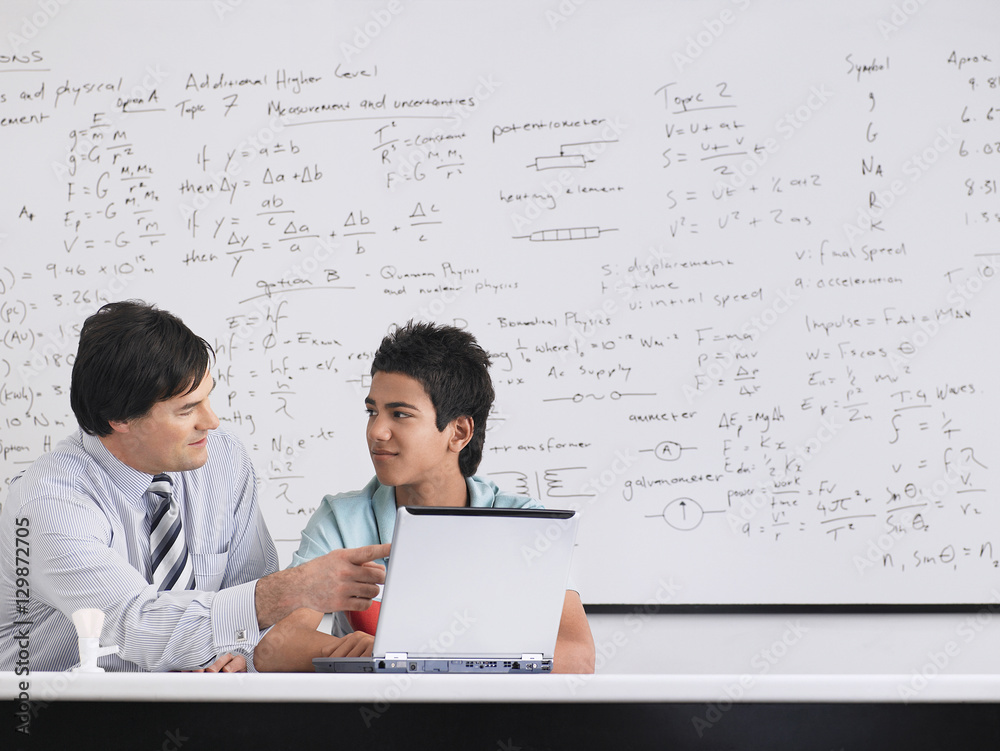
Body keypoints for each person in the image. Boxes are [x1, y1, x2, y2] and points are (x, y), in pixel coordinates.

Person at [0, 300, 388, 672]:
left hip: (195, 705)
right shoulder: (47, 502)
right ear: (119, 418)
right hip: (60, 714)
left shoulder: (222, 458)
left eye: (208, 398)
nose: (212, 421)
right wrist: (291, 589)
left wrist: (238, 658)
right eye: (187, 410)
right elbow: (137, 627)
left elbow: (252, 609)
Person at [257, 321, 595, 673]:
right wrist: (368, 653)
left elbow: (578, 657)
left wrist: (404, 654)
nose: (377, 431)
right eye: (372, 411)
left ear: (459, 432)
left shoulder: (525, 523)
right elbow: (274, 649)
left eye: (400, 414)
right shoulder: (342, 519)